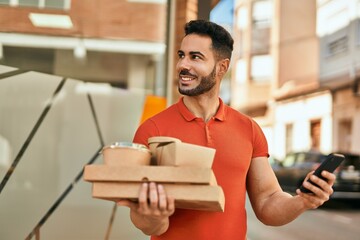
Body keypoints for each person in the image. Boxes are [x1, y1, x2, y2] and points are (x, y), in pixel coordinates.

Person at [117, 20, 336, 240]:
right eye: (181, 55)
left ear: (222, 67)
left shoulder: (248, 129)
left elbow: (268, 202)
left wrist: (303, 201)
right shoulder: (152, 129)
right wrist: (154, 217)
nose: (183, 65)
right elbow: (144, 223)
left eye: (195, 57)